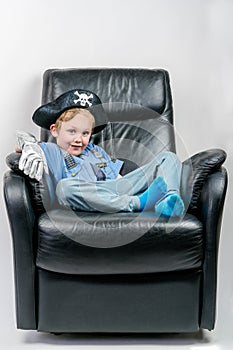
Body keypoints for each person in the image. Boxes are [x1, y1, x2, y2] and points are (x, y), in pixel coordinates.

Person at [17, 88, 185, 217]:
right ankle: (138, 203)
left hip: (114, 190)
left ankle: (170, 201)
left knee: (168, 158)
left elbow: (119, 181)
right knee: (64, 188)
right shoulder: (51, 150)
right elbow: (28, 150)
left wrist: (137, 183)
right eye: (72, 131)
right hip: (86, 196)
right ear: (54, 130)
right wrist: (27, 145)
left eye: (85, 133)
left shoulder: (95, 151)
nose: (78, 139)